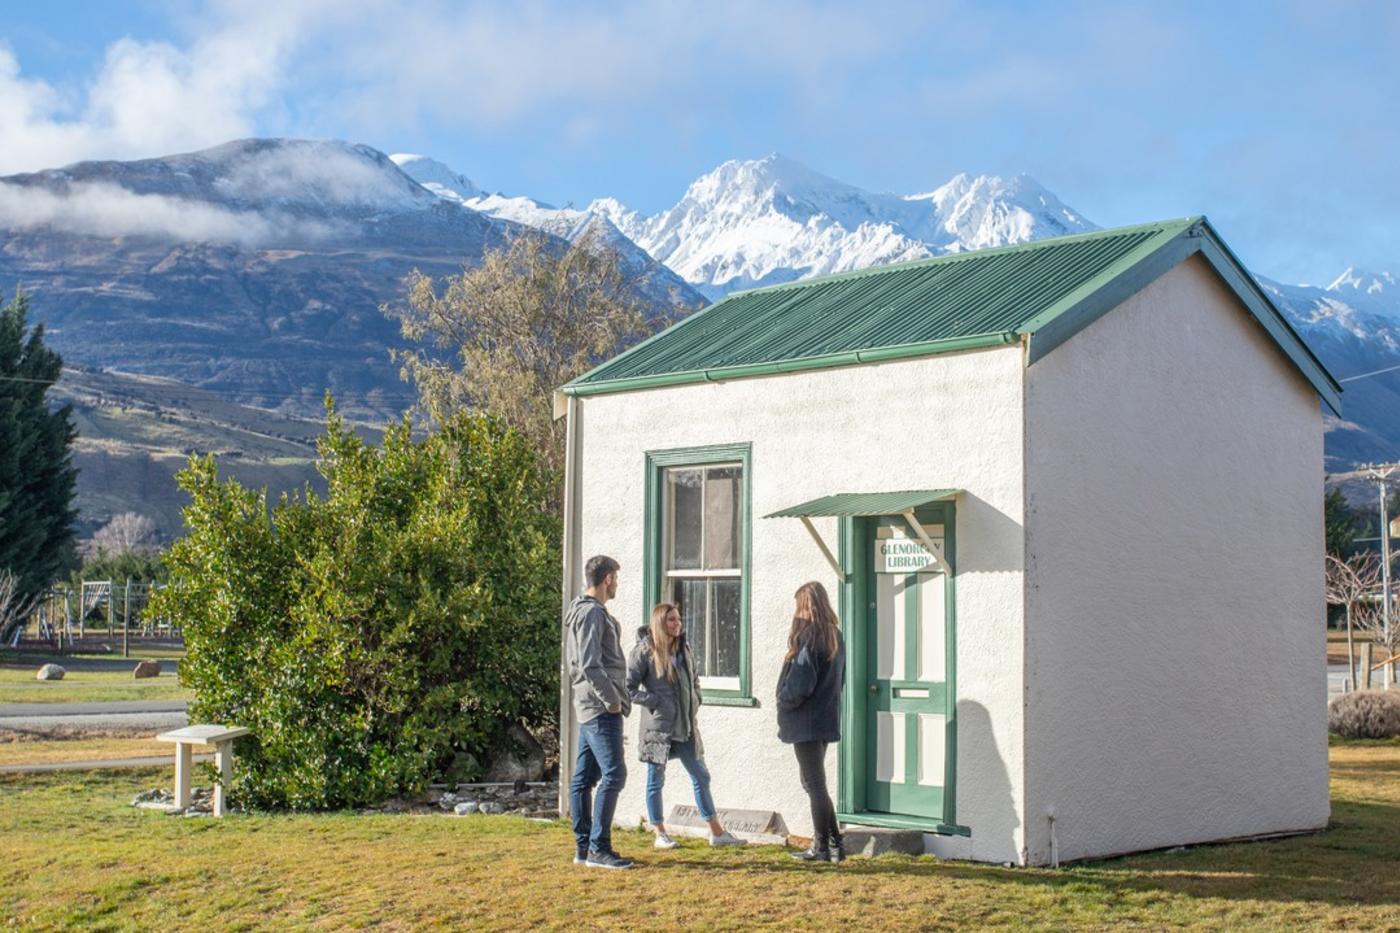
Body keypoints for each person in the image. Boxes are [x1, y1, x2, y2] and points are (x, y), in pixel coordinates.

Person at [627, 602, 746, 850]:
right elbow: (626, 690)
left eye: (679, 619)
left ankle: (716, 832)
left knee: (701, 775)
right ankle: (660, 832)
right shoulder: (644, 651)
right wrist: (654, 701)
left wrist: (696, 698)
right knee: (655, 779)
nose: (677, 624)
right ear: (660, 622)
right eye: (671, 620)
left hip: (686, 728)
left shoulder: (684, 648)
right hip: (658, 729)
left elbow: (694, 680)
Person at [565, 555, 634, 869]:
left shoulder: (580, 611)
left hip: (588, 704)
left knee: (584, 778)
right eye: (616, 578)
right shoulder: (592, 614)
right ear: (607, 579)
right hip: (599, 707)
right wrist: (612, 701)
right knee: (614, 774)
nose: (617, 584)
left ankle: (583, 848)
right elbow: (591, 664)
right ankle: (598, 848)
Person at [776, 580, 847, 863]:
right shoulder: (834, 636)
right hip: (824, 717)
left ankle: (821, 848)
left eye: (798, 606)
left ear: (806, 606)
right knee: (815, 782)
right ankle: (835, 844)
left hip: (805, 719)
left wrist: (783, 698)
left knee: (813, 783)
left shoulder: (810, 637)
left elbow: (801, 681)